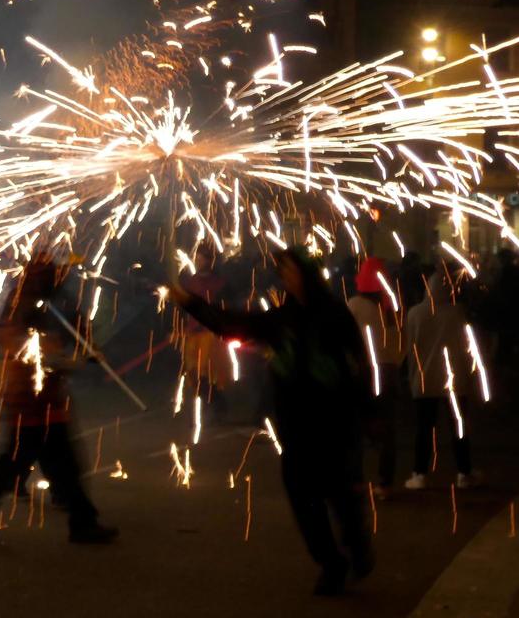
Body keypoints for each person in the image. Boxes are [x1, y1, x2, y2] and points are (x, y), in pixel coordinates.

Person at [171, 248, 372, 595]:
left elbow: (357, 365)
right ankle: (330, 563)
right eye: (284, 272)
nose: (287, 278)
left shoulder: (335, 315)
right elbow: (231, 323)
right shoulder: (282, 319)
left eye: (292, 271)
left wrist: (366, 412)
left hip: (333, 423)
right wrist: (189, 302)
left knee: (339, 494)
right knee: (302, 497)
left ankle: (357, 547)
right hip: (295, 426)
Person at [0, 257, 118, 545]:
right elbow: (31, 354)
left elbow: (63, 334)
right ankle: (82, 522)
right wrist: (76, 362)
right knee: (28, 463)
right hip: (30, 398)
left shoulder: (41, 304)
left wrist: (84, 350)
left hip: (45, 400)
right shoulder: (20, 308)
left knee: (49, 464)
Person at [403, 266, 479, 490]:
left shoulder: (415, 313)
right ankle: (464, 473)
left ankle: (419, 473)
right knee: (458, 427)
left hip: (425, 378)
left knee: (424, 429)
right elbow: (467, 347)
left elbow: (410, 348)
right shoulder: (457, 312)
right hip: (454, 380)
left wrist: (411, 377)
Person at [348, 258, 402, 495]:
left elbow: (344, 338)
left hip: (362, 371)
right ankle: (385, 483)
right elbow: (402, 340)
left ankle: (357, 479)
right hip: (387, 370)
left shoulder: (354, 305)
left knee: (356, 425)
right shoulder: (390, 305)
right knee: (387, 427)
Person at [180, 243, 231, 420]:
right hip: (193, 335)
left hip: (210, 336)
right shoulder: (191, 282)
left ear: (210, 261)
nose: (199, 261)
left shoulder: (219, 283)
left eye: (203, 258)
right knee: (192, 374)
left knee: (208, 375)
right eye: (198, 258)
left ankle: (216, 405)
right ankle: (216, 405)